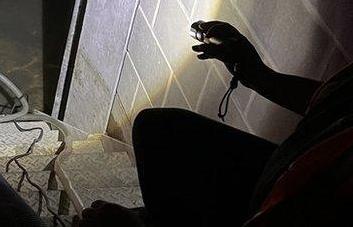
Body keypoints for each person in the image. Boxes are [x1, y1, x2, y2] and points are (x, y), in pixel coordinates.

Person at [78, 20, 353, 226]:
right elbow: (336, 103)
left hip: (283, 205)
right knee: (158, 130)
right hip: (296, 167)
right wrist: (257, 75)